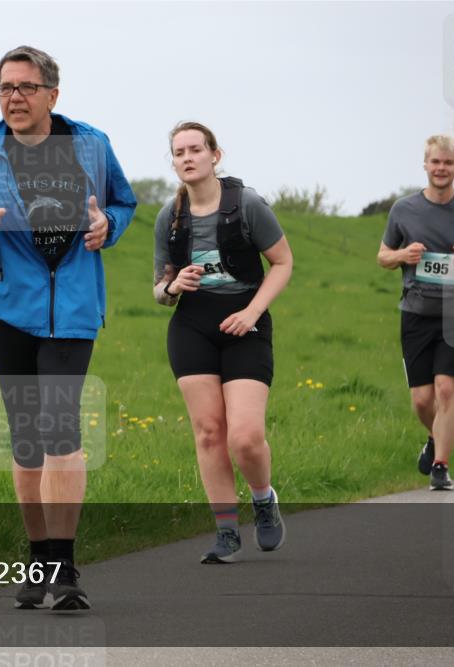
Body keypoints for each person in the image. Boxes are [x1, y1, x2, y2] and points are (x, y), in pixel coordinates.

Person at [0, 46, 136, 609]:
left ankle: (65, 569)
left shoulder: (91, 145)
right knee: (26, 444)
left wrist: (106, 226)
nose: (13, 98)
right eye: (4, 88)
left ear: (52, 94)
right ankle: (38, 559)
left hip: (72, 311)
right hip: (7, 311)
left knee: (61, 430)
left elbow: (123, 202)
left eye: (24, 87)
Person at [153, 121, 293, 563]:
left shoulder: (247, 204)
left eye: (196, 149)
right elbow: (159, 290)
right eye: (179, 152)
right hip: (192, 326)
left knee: (246, 437)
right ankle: (226, 532)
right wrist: (175, 287)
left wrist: (253, 311)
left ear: (216, 155)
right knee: (209, 432)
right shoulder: (169, 217)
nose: (188, 158)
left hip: (244, 325)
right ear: (173, 162)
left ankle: (264, 498)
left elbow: (283, 263)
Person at [377, 134, 454, 490]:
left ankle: (441, 466)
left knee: (446, 389)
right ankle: (436, 437)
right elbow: (383, 256)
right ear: (426, 165)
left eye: (448, 163)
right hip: (415, 312)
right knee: (422, 399)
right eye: (436, 162)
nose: (442, 168)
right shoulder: (403, 209)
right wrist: (403, 256)